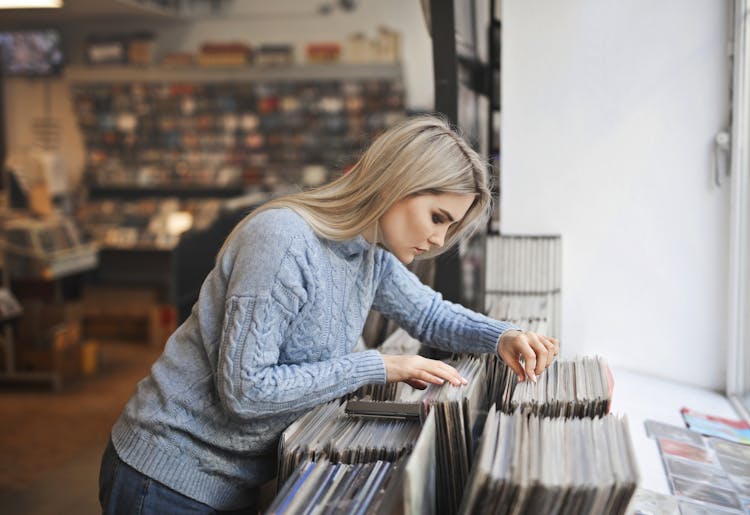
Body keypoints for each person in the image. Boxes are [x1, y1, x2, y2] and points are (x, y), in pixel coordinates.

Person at [98, 115, 559, 514]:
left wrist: (504, 336)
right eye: (438, 217)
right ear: (398, 182)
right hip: (163, 477)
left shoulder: (370, 254)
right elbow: (245, 391)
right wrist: (378, 365)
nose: (440, 240)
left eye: (452, 227)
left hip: (232, 481)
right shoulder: (283, 240)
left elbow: (430, 316)